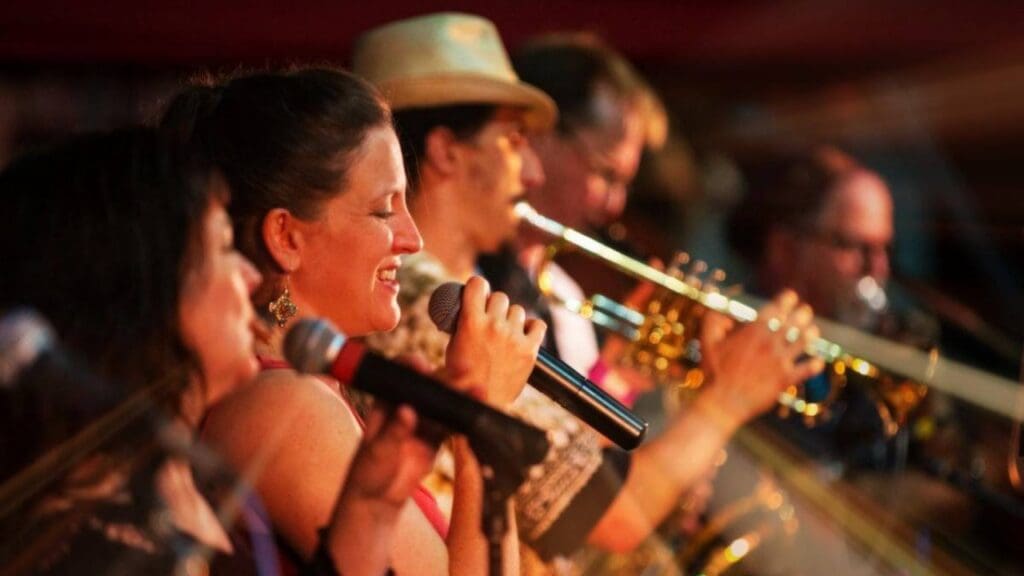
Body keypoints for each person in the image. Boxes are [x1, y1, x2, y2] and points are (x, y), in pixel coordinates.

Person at [353, 16, 825, 572]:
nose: (530, 171)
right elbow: (606, 514)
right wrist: (729, 400)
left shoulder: (467, 290)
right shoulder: (422, 301)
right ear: (446, 151)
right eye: (512, 142)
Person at [0, 127, 445, 576]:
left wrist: (371, 502)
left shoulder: (182, 482)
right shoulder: (84, 537)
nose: (250, 277)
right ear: (145, 288)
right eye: (221, 248)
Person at [165, 66, 544, 576]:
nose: (412, 239)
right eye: (384, 211)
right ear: (287, 237)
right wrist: (483, 414)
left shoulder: (312, 389)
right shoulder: (284, 405)